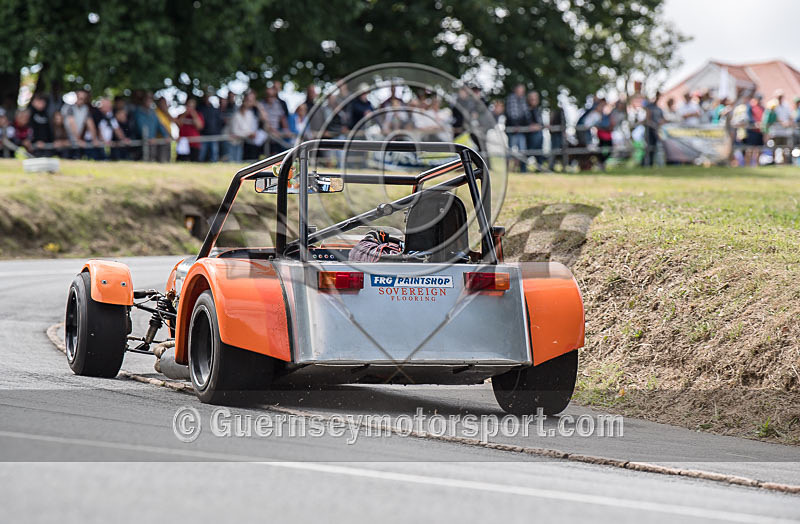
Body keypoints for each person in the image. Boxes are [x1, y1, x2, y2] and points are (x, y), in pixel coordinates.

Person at [131, 92, 169, 161]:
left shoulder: (153, 113)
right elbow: (140, 126)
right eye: (147, 100)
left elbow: (159, 125)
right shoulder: (138, 113)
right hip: (142, 140)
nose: (149, 102)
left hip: (152, 140)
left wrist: (166, 135)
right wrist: (149, 138)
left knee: (162, 146)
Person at [61, 89, 97, 158]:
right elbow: (71, 123)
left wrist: (94, 139)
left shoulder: (85, 109)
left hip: (77, 139)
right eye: (79, 98)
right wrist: (78, 140)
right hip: (66, 138)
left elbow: (90, 124)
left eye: (83, 99)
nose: (81, 100)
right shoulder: (69, 107)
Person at [504, 84, 530, 172]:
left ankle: (522, 169)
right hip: (512, 129)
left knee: (522, 150)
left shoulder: (523, 100)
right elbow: (512, 113)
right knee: (511, 150)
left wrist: (525, 125)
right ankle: (508, 169)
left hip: (521, 130)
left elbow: (526, 114)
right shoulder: (512, 99)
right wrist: (515, 125)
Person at [230, 90, 261, 162]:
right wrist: (248, 134)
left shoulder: (250, 114)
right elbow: (235, 132)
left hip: (242, 142)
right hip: (233, 142)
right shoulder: (236, 115)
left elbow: (250, 128)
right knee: (233, 162)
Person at [176, 97, 205, 162]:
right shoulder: (181, 115)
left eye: (192, 106)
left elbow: (200, 127)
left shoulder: (198, 115)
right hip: (183, 143)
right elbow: (178, 124)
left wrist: (194, 115)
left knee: (194, 162)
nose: (190, 108)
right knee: (181, 161)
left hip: (194, 143)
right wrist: (185, 114)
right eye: (188, 106)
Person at [198, 91, 223, 162]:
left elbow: (219, 122)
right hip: (203, 135)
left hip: (214, 135)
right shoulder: (200, 108)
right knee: (202, 154)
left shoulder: (215, 110)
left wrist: (217, 132)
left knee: (214, 155)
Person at [642, 92, 664, 167]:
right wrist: (653, 125)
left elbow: (662, 119)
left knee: (656, 147)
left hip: (656, 130)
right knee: (649, 147)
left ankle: (653, 163)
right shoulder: (649, 107)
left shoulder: (659, 109)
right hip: (650, 130)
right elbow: (647, 119)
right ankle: (646, 164)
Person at [744, 94, 764, 167]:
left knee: (758, 149)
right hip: (752, 131)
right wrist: (755, 123)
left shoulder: (762, 108)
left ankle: (757, 165)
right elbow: (749, 117)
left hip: (759, 131)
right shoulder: (750, 107)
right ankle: (747, 165)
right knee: (750, 149)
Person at [525, 91, 544, 168]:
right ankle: (524, 168)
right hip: (529, 136)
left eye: (535, 99)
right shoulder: (525, 110)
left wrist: (539, 126)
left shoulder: (538, 110)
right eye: (532, 99)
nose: (533, 101)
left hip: (538, 135)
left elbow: (541, 123)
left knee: (539, 150)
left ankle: (539, 167)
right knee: (528, 151)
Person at [547, 99, 566, 170]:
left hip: (558, 133)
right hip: (555, 134)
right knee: (555, 150)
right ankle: (551, 166)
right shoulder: (555, 111)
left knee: (559, 151)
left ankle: (556, 166)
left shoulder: (560, 111)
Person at [154, 97, 173, 162]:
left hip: (167, 139)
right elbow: (160, 126)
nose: (165, 105)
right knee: (161, 159)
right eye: (162, 103)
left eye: (165, 103)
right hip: (160, 139)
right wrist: (166, 135)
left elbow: (172, 120)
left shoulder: (165, 113)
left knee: (167, 159)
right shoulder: (156, 112)